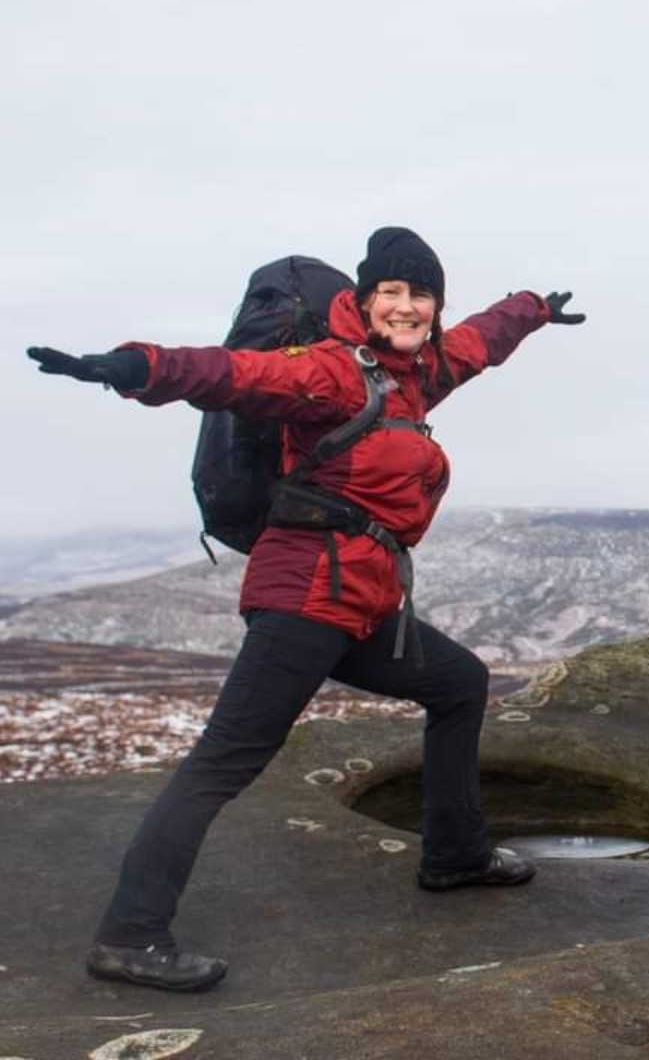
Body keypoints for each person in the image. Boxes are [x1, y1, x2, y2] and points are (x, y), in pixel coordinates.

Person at [27, 227, 586, 992]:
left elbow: (479, 342)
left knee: (459, 683)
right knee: (224, 763)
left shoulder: (419, 374)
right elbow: (229, 374)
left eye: (420, 293)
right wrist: (133, 366)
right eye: (391, 291)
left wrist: (529, 309)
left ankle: (455, 856)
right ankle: (130, 935)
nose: (406, 305)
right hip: (303, 600)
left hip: (360, 603)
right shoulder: (328, 371)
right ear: (363, 299)